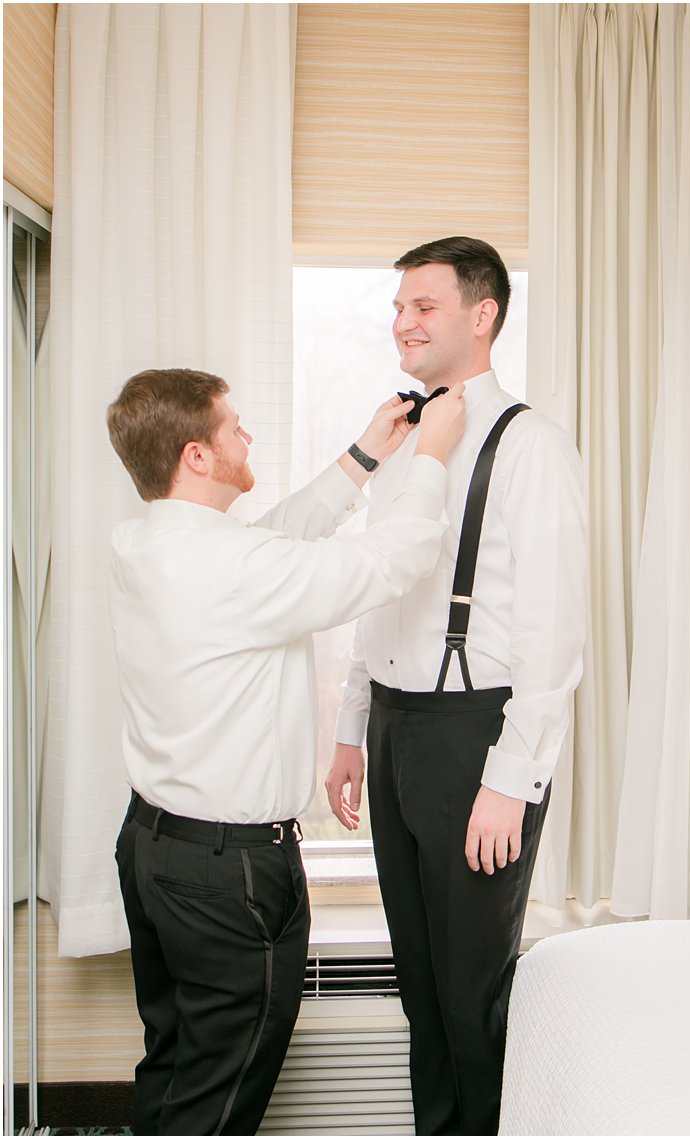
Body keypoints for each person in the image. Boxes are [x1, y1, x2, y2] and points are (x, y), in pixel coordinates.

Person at [107, 366, 467, 1135]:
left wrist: (364, 454)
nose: (247, 434)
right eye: (232, 424)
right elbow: (389, 563)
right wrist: (432, 454)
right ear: (197, 456)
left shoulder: (145, 542)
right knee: (219, 1099)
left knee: (174, 1065)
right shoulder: (234, 569)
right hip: (226, 876)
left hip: (151, 849)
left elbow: (274, 540)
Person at [324, 236, 589, 1134]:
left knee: (473, 989)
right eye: (399, 305)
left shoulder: (532, 445)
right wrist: (354, 725)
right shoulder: (405, 438)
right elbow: (378, 588)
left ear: (482, 316)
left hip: (479, 735)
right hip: (398, 726)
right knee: (421, 983)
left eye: (423, 305)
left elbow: (555, 634)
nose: (402, 321)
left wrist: (511, 778)